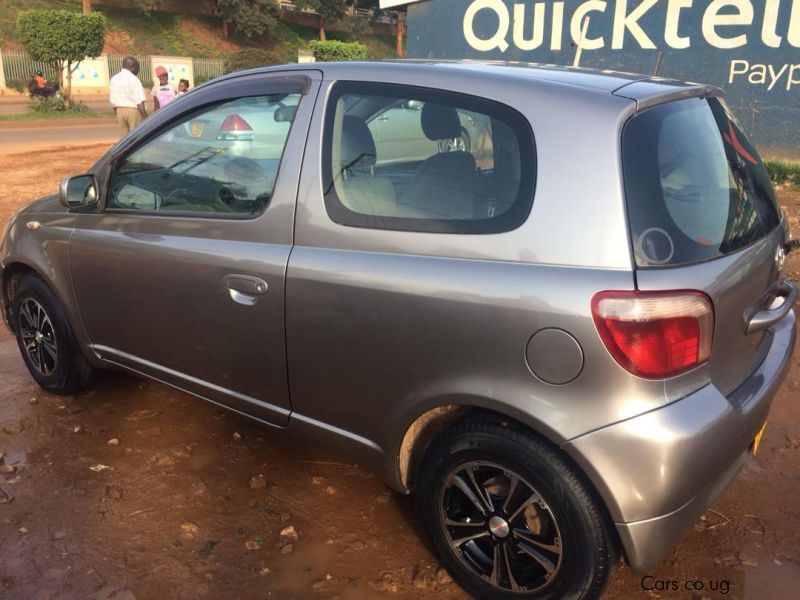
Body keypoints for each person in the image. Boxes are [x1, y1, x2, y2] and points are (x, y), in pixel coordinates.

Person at [109, 56, 148, 139]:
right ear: (132, 67)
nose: (138, 70)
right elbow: (139, 102)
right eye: (138, 68)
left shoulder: (114, 79)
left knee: (124, 140)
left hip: (119, 111)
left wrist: (117, 114)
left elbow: (113, 100)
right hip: (133, 111)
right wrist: (147, 119)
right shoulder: (134, 79)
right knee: (136, 138)